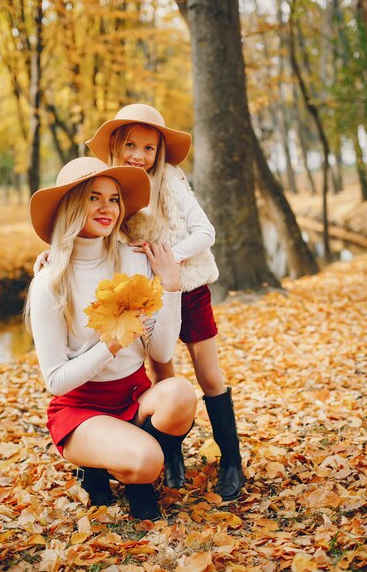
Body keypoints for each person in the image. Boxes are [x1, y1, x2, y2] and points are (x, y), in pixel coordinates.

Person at [84, 104, 245, 502]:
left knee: (209, 378)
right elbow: (87, 226)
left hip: (189, 289)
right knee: (166, 380)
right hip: (148, 298)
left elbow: (205, 231)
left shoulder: (170, 179)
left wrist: (168, 256)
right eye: (131, 145)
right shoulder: (112, 183)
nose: (139, 155)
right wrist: (53, 254)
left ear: (159, 153)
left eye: (149, 148)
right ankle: (172, 458)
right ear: (116, 147)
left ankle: (231, 460)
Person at [25, 156, 197, 521]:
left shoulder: (133, 259)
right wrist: (113, 343)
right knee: (148, 459)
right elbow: (55, 381)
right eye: (93, 197)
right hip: (80, 410)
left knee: (181, 394)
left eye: (114, 198)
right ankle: (109, 467)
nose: (107, 208)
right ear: (71, 204)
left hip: (133, 397)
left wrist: (171, 288)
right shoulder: (49, 281)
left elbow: (162, 349)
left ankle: (131, 470)